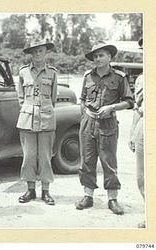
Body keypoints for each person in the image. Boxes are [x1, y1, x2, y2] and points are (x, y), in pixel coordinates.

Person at [75, 41, 134, 215]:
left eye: (101, 55)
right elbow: (83, 99)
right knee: (87, 161)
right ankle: (88, 196)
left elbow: (130, 102)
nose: (98, 59)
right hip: (88, 124)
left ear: (109, 57)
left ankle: (112, 199)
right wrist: (85, 114)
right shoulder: (88, 76)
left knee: (109, 162)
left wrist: (111, 108)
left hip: (108, 124)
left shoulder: (119, 77)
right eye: (95, 56)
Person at [16, 38, 57, 205]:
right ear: (30, 54)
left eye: (40, 51)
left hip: (46, 117)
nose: (37, 54)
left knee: (45, 156)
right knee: (29, 156)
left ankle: (46, 191)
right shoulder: (23, 72)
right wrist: (29, 109)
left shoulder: (52, 73)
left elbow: (53, 98)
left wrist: (43, 109)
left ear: (45, 52)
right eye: (34, 51)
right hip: (27, 118)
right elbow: (20, 97)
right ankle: (30, 190)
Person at [129, 38, 144, 227]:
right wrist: (132, 133)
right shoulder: (141, 78)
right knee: (143, 177)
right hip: (144, 124)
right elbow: (137, 108)